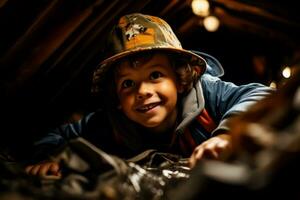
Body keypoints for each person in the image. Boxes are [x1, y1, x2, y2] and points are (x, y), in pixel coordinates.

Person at [25, 13, 273, 177]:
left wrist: (226, 136)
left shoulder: (206, 94)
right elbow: (57, 137)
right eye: (128, 84)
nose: (142, 92)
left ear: (180, 79)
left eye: (155, 75)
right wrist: (52, 158)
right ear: (117, 100)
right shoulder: (109, 124)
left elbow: (261, 95)